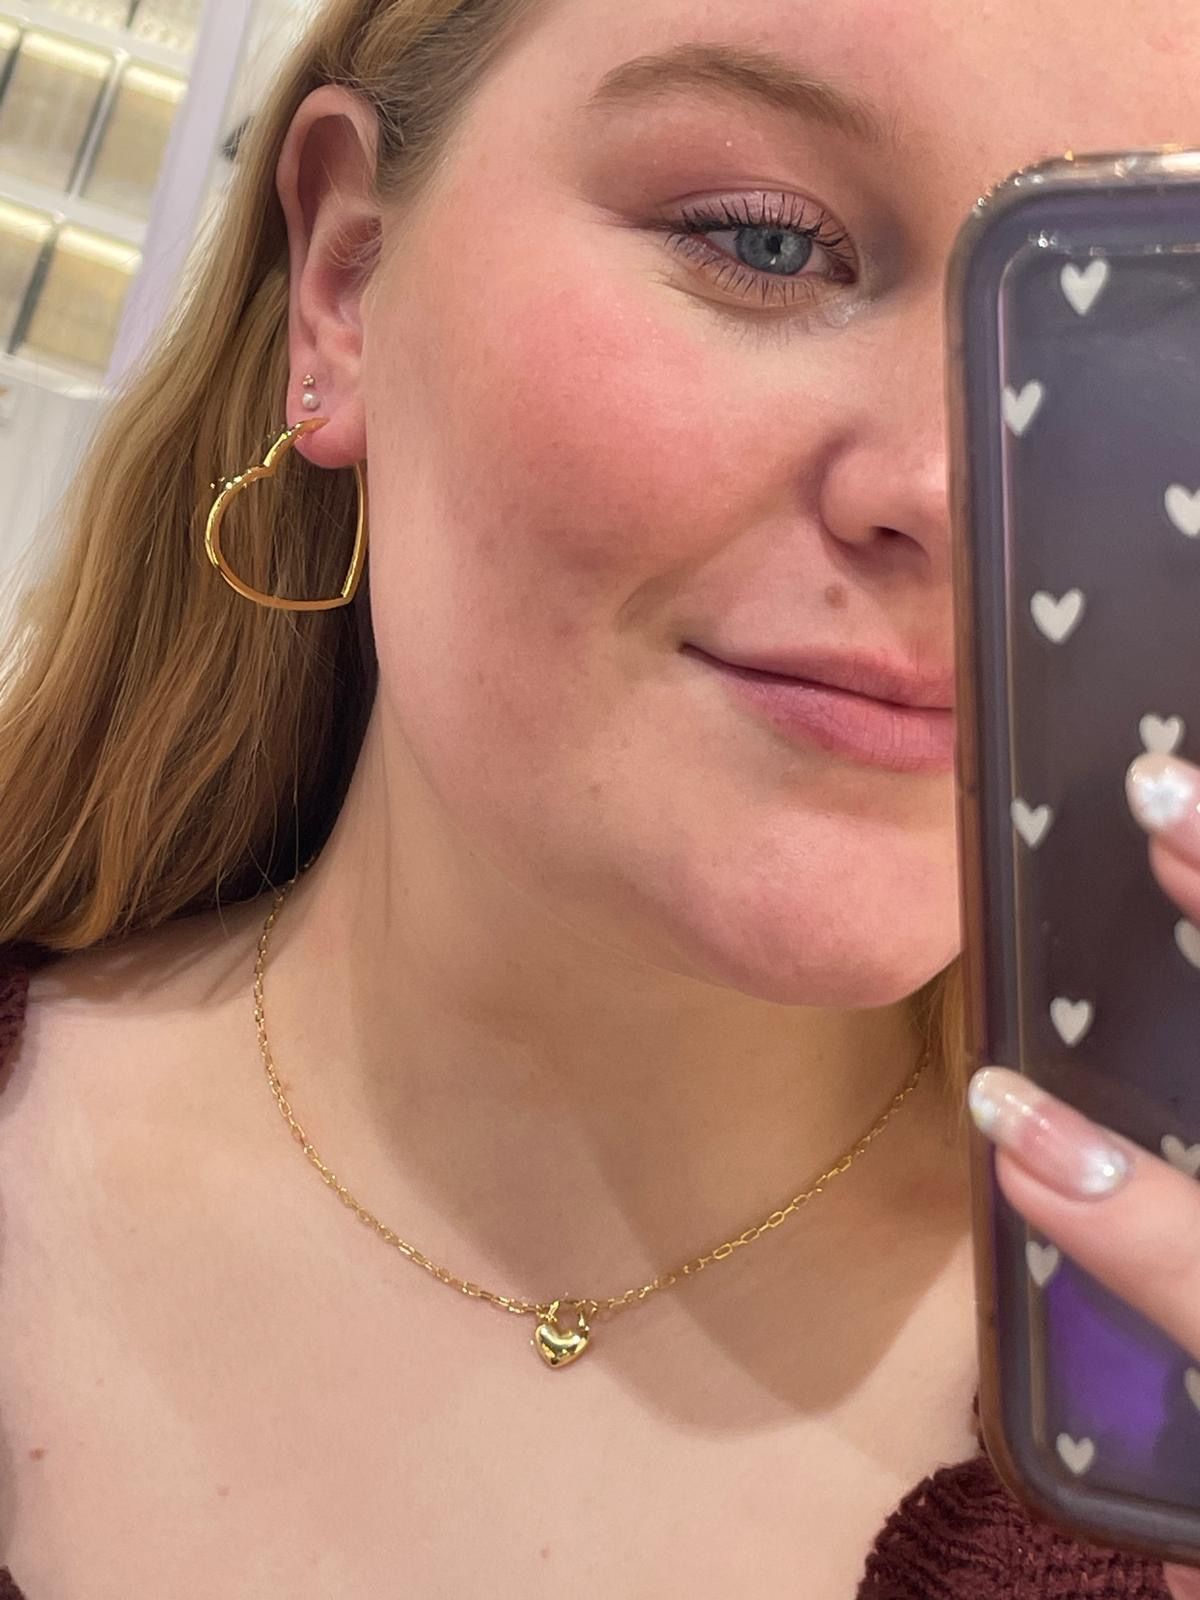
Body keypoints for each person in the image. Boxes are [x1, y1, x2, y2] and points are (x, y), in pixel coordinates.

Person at [0, 0, 1197, 1593]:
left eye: (1131, 335)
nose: (960, 486)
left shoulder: (1151, 1410)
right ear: (346, 281)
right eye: (767, 244)